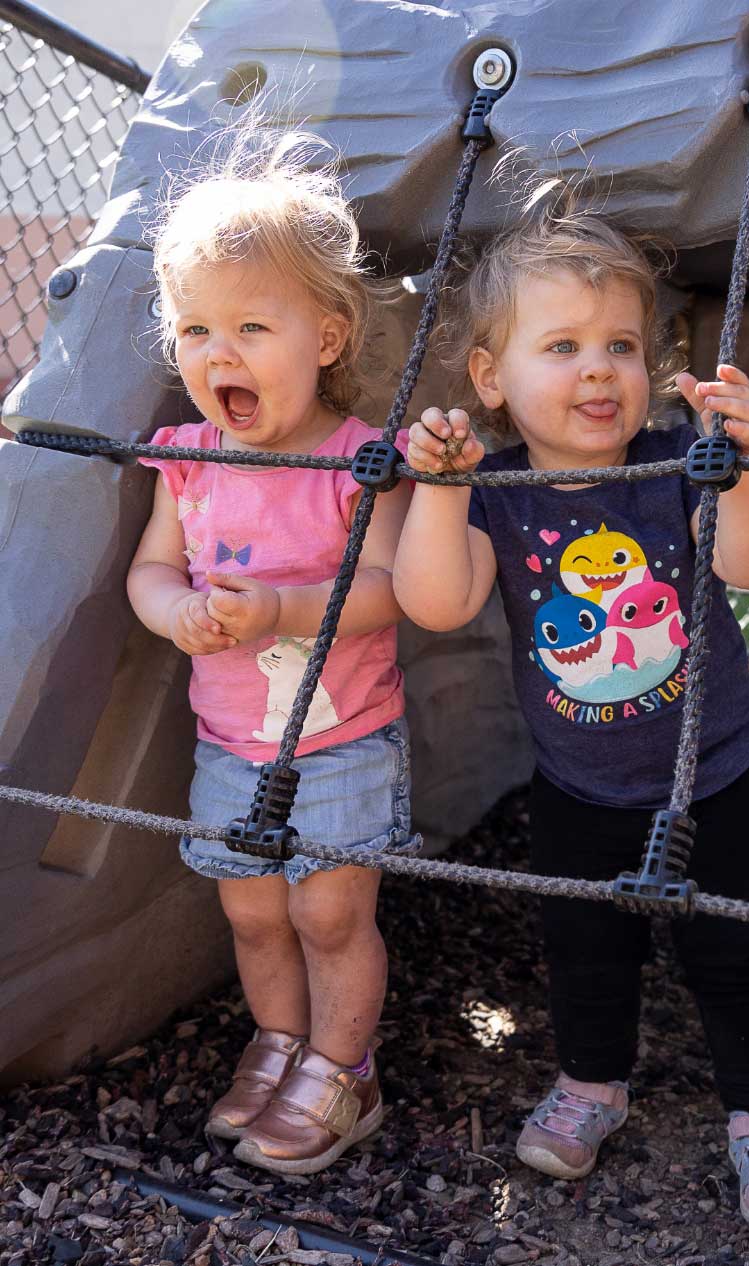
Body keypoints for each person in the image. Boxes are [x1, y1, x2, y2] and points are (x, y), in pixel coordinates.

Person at [393, 206, 749, 1228]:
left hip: (711, 774)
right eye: (563, 347)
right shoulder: (500, 491)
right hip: (576, 786)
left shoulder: (677, 461)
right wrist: (442, 493)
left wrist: (741, 461)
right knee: (586, 949)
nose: (598, 370)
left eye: (619, 347)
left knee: (735, 952)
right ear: (492, 381)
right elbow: (436, 602)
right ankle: (594, 1083)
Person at [126, 131, 415, 1176]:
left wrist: (284, 611)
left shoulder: (354, 462)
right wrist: (175, 615)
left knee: (329, 909)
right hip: (230, 739)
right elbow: (151, 572)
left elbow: (392, 595)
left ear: (328, 336)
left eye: (253, 324)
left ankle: (345, 1069)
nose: (222, 353)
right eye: (197, 327)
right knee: (251, 909)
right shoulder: (184, 460)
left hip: (342, 738)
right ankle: (280, 1044)